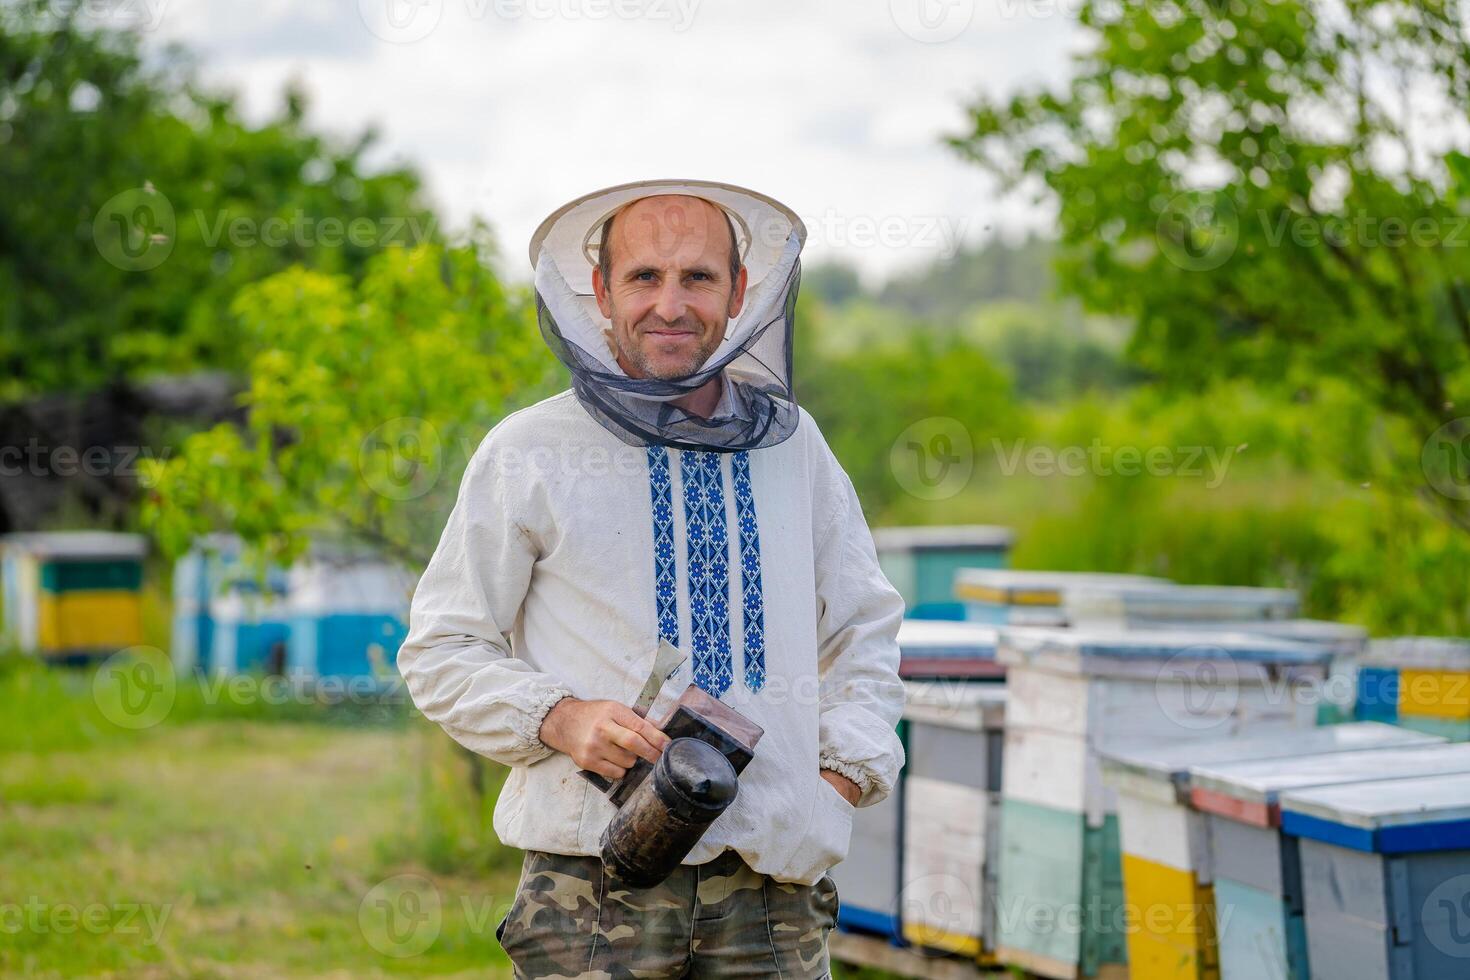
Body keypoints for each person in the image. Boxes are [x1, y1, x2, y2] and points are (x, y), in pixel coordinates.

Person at [398, 179, 905, 978]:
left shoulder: (795, 448)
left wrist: (837, 782)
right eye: (644, 276)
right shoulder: (528, 450)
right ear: (599, 292)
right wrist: (560, 718)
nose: (670, 303)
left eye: (698, 277)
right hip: (591, 894)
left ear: (740, 292)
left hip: (770, 897)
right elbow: (441, 650)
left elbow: (863, 629)